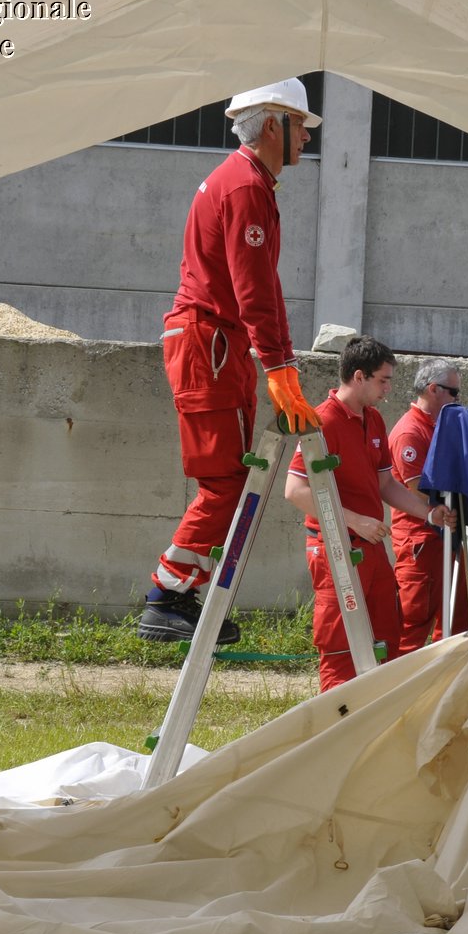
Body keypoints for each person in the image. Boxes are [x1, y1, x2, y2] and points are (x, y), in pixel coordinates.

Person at [137, 78, 325, 645]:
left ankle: (179, 592)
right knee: (225, 482)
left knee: (231, 478)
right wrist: (279, 368)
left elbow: (261, 288)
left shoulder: (246, 182)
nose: (306, 142)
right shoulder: (245, 185)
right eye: (301, 128)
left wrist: (278, 362)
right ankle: (167, 594)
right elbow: (254, 292)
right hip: (211, 342)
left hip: (216, 341)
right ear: (273, 124)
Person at [285, 336, 457, 692]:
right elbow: (295, 490)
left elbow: (386, 485)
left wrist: (429, 514)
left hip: (371, 548)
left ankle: (375, 720)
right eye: (383, 380)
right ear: (359, 377)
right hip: (336, 549)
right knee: (340, 648)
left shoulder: (374, 420)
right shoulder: (321, 421)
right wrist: (353, 519)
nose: (389, 388)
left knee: (387, 639)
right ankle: (335, 730)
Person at [389, 359, 468, 654]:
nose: (457, 400)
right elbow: (419, 491)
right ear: (433, 389)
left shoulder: (438, 428)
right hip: (421, 541)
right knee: (413, 625)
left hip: (443, 535)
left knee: (456, 621)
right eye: (453, 392)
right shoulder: (411, 432)